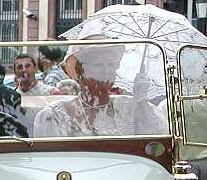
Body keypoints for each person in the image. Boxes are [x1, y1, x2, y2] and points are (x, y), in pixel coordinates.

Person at [33, 41, 168, 138]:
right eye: (98, 65)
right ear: (80, 71)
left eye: (111, 65)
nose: (107, 71)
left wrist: (141, 101)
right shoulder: (56, 113)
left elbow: (154, 139)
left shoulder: (128, 107)